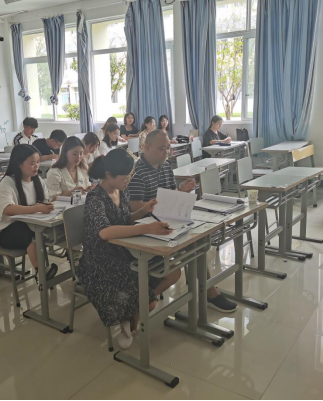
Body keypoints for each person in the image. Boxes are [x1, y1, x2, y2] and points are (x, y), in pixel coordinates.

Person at [77, 149, 181, 350]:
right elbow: (105, 232)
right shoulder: (95, 197)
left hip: (125, 250)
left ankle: (134, 308)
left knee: (173, 272)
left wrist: (143, 211)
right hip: (101, 262)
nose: (128, 181)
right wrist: (146, 228)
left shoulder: (121, 190)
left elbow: (125, 219)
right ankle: (137, 309)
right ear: (109, 175)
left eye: (130, 176)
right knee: (150, 303)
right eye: (125, 177)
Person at [129, 130, 238, 313]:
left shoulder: (165, 167)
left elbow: (172, 194)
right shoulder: (137, 173)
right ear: (146, 148)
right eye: (161, 148)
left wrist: (182, 190)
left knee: (198, 238)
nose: (166, 152)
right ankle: (209, 291)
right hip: (148, 228)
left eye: (168, 148)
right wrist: (168, 200)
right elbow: (135, 209)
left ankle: (207, 288)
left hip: (169, 220)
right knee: (193, 243)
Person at [0, 144, 58, 281]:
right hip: (7, 230)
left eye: (38, 162)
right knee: (33, 236)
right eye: (32, 163)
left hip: (31, 224)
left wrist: (48, 206)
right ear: (19, 164)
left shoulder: (38, 180)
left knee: (49, 231)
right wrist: (37, 208)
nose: (36, 166)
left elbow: (45, 202)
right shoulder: (8, 182)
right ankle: (41, 272)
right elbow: (7, 209)